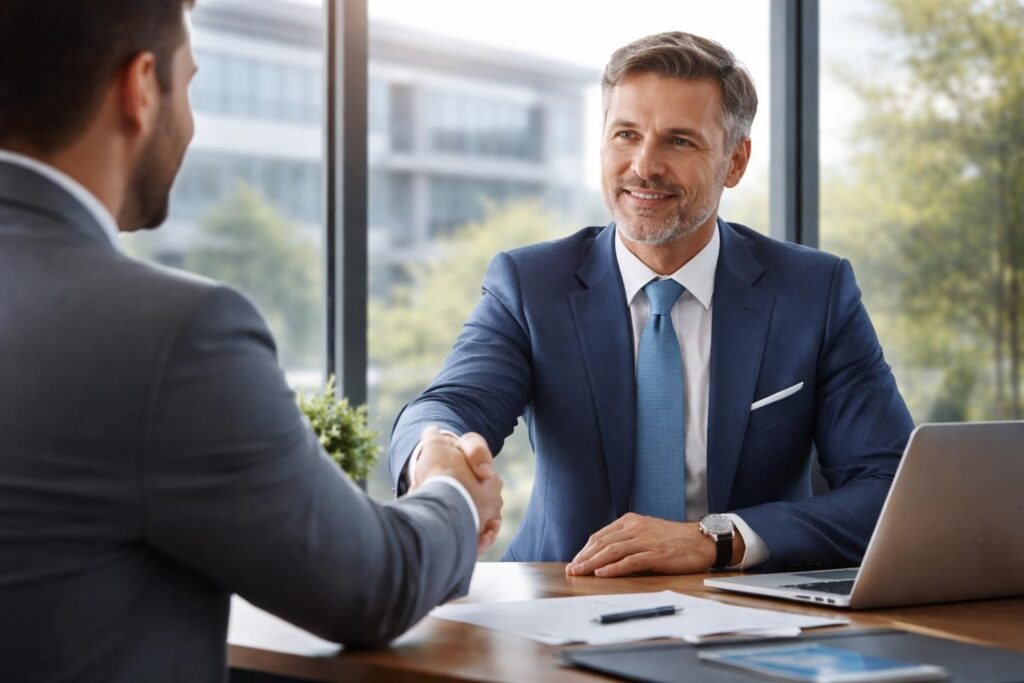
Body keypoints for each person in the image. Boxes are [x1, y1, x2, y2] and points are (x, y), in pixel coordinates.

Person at [0, 1, 502, 680]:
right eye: (189, 84)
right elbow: (374, 581)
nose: (190, 125)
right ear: (140, 87)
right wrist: (454, 494)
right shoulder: (171, 333)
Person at [389, 31, 914, 578]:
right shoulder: (531, 285)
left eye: (679, 141)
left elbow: (889, 488)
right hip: (563, 593)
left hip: (748, 604)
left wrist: (719, 539)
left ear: (735, 161)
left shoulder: (814, 292)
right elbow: (452, 402)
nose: (644, 165)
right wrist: (436, 454)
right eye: (626, 135)